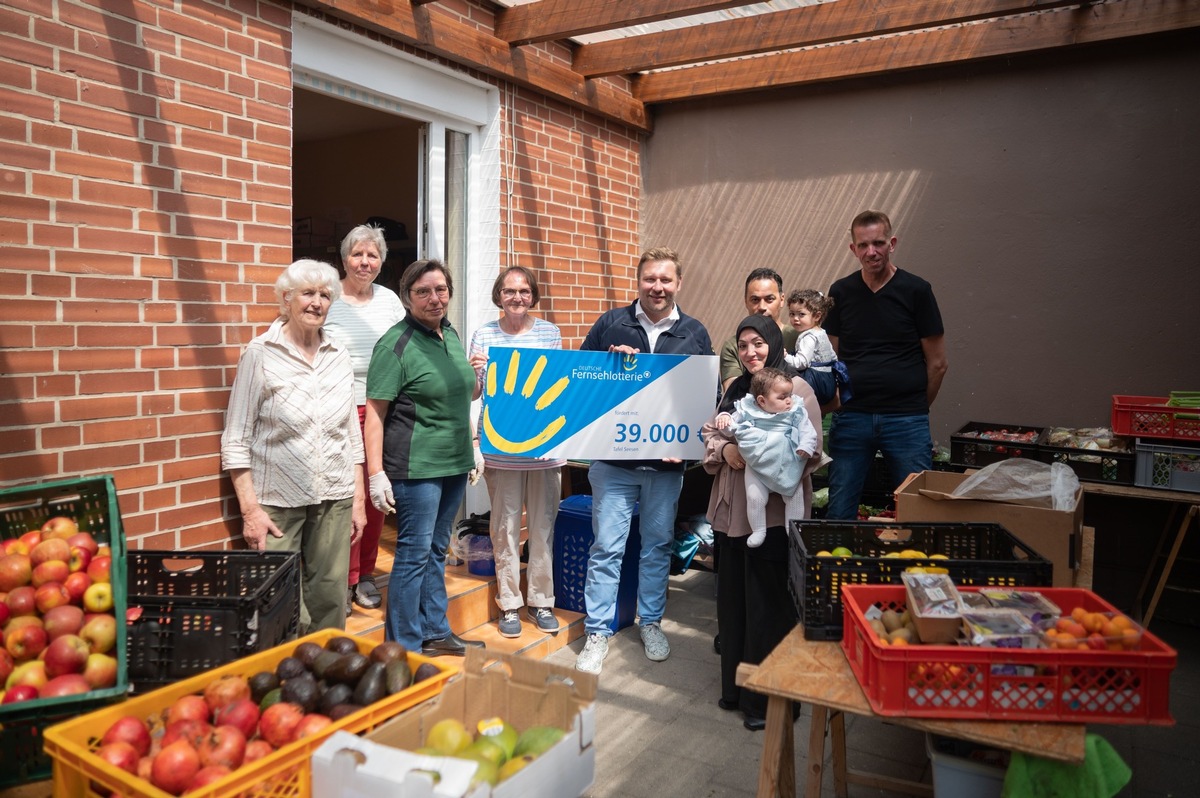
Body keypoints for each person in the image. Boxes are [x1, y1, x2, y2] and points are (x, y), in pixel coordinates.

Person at [574, 246, 714, 675]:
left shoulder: (694, 332)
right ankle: (598, 632)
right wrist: (608, 367)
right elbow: (581, 382)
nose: (657, 287)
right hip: (614, 465)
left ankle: (650, 622)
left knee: (656, 548)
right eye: (650, 279)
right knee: (606, 549)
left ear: (678, 284)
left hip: (666, 467)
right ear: (639, 281)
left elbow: (705, 398)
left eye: (665, 279)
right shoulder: (610, 323)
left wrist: (689, 440)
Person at [221, 259, 366, 634]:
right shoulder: (261, 353)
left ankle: (327, 669)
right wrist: (250, 509)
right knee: (278, 597)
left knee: (330, 594)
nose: (316, 302)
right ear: (287, 299)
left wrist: (359, 500)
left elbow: (352, 433)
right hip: (277, 499)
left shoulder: (339, 354)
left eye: (324, 295)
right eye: (307, 293)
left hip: (335, 494)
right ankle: (285, 674)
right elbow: (236, 436)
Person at [702, 315, 822, 730]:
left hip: (773, 516)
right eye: (744, 344)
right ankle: (736, 691)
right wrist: (725, 454)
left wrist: (757, 457)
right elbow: (711, 437)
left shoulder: (798, 390)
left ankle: (766, 703)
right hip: (732, 512)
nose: (751, 351)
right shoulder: (736, 390)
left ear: (774, 342)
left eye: (759, 343)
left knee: (769, 607)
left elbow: (813, 451)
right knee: (734, 604)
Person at [363, 259, 484, 656]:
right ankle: (403, 647)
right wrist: (376, 473)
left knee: (435, 549)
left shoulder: (448, 334)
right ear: (407, 298)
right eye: (423, 292)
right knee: (413, 553)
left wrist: (474, 445)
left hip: (453, 462)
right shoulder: (395, 344)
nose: (435, 299)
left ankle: (435, 631)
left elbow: (458, 396)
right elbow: (375, 414)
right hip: (417, 468)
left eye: (441, 290)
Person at [824, 210, 948, 520]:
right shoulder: (841, 292)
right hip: (853, 419)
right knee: (840, 509)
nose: (871, 252)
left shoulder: (917, 290)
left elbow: (938, 364)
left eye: (878, 243)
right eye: (863, 245)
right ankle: (838, 567)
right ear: (853, 249)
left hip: (906, 421)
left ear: (891, 243)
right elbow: (831, 358)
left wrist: (915, 406)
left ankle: (916, 569)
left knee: (917, 511)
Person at [467, 266, 565, 639]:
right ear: (499, 295)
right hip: (500, 448)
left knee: (542, 527)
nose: (517, 297)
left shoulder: (549, 333)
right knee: (504, 528)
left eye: (524, 291)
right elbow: (475, 394)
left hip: (543, 448)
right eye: (510, 291)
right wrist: (474, 372)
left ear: (533, 295)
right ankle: (509, 604)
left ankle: (542, 601)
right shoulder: (484, 335)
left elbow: (556, 385)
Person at [323, 224, 405, 617]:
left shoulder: (390, 300)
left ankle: (366, 574)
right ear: (344, 259)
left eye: (372, 255)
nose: (365, 262)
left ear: (381, 262)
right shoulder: (327, 296)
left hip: (380, 407)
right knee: (341, 495)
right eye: (357, 254)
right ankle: (340, 577)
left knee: (374, 497)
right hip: (336, 407)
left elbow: (406, 348)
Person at [714, 366, 818, 548]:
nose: (788, 401)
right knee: (754, 498)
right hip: (756, 463)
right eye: (782, 397)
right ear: (761, 401)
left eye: (789, 395)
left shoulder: (795, 409)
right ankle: (759, 529)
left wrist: (806, 446)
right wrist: (724, 419)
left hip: (788, 463)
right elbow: (731, 427)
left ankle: (791, 528)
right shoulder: (747, 408)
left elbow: (807, 430)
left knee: (794, 495)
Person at [718, 268, 798, 392]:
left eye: (769, 299)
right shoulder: (733, 346)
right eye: (755, 300)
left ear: (782, 300)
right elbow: (734, 395)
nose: (762, 307)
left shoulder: (800, 339)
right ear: (746, 302)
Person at [783, 288, 839, 407]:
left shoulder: (808, 337)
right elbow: (833, 356)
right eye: (792, 314)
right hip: (828, 380)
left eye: (801, 314)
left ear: (817, 316)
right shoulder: (821, 332)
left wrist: (785, 356)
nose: (795, 318)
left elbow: (801, 363)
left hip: (814, 381)